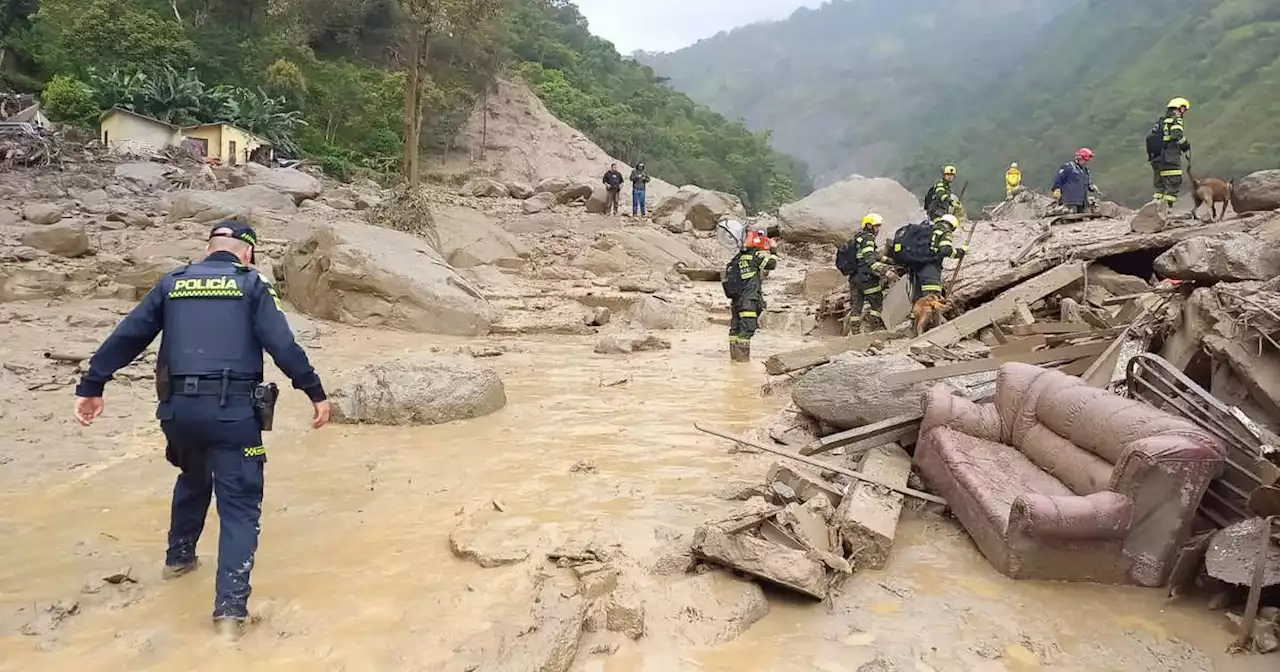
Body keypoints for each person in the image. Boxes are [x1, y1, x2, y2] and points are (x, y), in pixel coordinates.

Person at [72, 221, 331, 638]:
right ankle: (229, 614)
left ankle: (179, 560)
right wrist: (315, 392)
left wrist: (92, 385)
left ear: (209, 249)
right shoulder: (251, 284)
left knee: (192, 475)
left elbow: (127, 336)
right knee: (240, 507)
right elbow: (283, 346)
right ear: (247, 252)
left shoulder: (173, 283)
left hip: (178, 414)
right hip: (232, 414)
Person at [835, 213, 898, 334]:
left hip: (854, 277)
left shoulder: (858, 237)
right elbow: (870, 260)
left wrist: (892, 261)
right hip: (867, 278)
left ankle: (855, 333)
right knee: (877, 304)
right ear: (869, 225)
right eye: (876, 226)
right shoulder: (868, 238)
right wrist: (886, 271)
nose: (878, 229)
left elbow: (874, 255)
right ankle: (870, 329)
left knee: (856, 307)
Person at [725, 229, 778, 362]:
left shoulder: (737, 258)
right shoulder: (755, 256)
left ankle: (734, 362)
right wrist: (774, 251)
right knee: (747, 330)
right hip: (749, 300)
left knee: (735, 330)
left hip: (736, 302)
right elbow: (771, 264)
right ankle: (742, 364)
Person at [894, 214, 965, 302]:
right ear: (952, 226)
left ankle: (916, 314)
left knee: (919, 297)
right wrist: (960, 252)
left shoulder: (926, 230)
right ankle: (931, 315)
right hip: (929, 267)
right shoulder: (944, 230)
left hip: (915, 266)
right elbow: (945, 250)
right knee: (932, 297)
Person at [1148, 97, 1192, 218]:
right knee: (1173, 183)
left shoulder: (1160, 122)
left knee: (1160, 187)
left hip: (1156, 158)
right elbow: (1176, 135)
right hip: (1169, 158)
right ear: (1180, 108)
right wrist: (1185, 145)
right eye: (1184, 109)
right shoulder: (1175, 120)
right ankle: (1166, 211)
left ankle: (1154, 210)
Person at [1051, 148, 1100, 214]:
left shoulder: (1085, 170)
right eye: (1086, 160)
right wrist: (1057, 189)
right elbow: (1058, 179)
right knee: (1069, 216)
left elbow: (1087, 182)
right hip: (1069, 201)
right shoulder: (1068, 167)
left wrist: (1092, 187)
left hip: (1082, 202)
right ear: (1080, 158)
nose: (1087, 162)